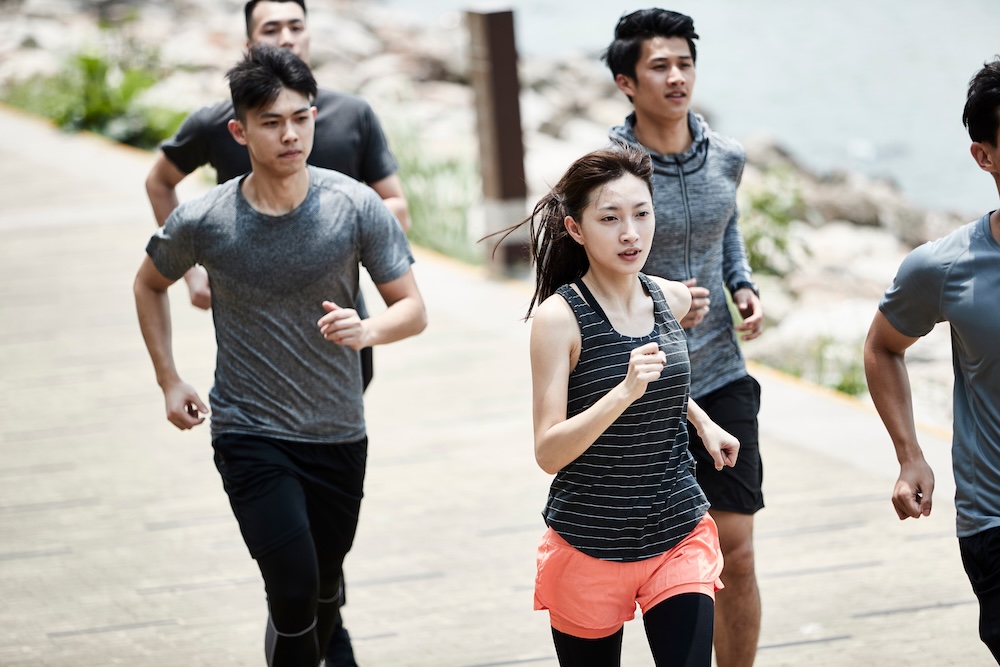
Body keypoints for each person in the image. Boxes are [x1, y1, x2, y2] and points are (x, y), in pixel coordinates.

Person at [133, 44, 426, 666]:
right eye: (272, 122)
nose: (291, 134)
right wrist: (168, 379)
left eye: (301, 117)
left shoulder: (354, 205)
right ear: (239, 131)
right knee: (292, 592)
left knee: (321, 592)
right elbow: (147, 283)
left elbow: (413, 309)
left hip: (339, 432)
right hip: (249, 431)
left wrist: (368, 332)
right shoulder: (206, 219)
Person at [513, 143, 739, 666]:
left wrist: (702, 421)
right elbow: (548, 452)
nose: (630, 233)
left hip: (676, 523)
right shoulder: (558, 320)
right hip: (589, 538)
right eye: (610, 219)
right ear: (575, 229)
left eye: (641, 214)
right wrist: (622, 392)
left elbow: (660, 379)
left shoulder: (670, 299)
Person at [602, 10, 765, 666]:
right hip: (643, 384)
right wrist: (662, 292)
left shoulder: (726, 154)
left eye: (684, 63)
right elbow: (589, 269)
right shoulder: (609, 169)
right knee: (668, 562)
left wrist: (742, 282)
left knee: (737, 550)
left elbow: (725, 223)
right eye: (659, 66)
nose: (676, 78)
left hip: (723, 372)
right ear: (626, 82)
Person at [863, 57, 1000, 663]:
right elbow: (881, 348)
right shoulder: (942, 268)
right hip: (995, 517)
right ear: (985, 156)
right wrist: (909, 454)